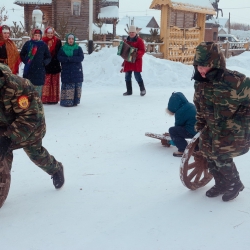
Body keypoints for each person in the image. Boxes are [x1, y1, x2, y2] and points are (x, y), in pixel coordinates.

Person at [192, 41, 249, 202]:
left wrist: (243, 118)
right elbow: (199, 105)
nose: (200, 69)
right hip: (211, 127)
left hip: (232, 128)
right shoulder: (200, 83)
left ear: (215, 63)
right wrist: (200, 124)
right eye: (198, 65)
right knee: (209, 154)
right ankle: (221, 183)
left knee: (221, 156)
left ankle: (235, 183)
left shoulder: (235, 81)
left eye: (204, 66)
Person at [0, 63, 64, 189]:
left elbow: (30, 117)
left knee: (36, 154)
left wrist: (7, 138)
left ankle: (56, 169)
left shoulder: (19, 86)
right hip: (3, 125)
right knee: (2, 157)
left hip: (30, 127)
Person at [20, 29, 51, 97]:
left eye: (38, 35)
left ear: (41, 36)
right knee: (28, 90)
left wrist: (43, 63)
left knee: (38, 91)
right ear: (33, 36)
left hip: (39, 71)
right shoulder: (28, 44)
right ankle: (29, 106)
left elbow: (48, 57)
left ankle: (37, 106)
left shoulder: (43, 45)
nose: (37, 37)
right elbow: (22, 54)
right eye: (35, 35)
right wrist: (26, 61)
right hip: (29, 70)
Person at [166, 92, 197, 157]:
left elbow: (178, 126)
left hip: (192, 131)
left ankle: (182, 150)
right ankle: (197, 147)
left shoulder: (180, 111)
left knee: (172, 130)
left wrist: (174, 138)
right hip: (198, 129)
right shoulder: (189, 105)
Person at [57, 33, 84, 107]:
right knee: (67, 84)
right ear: (67, 40)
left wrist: (71, 59)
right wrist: (67, 60)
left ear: (74, 40)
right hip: (66, 70)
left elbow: (81, 58)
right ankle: (67, 102)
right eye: (69, 39)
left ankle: (75, 101)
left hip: (76, 71)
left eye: (72, 39)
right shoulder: (62, 49)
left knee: (76, 85)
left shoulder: (78, 48)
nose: (71, 40)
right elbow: (59, 57)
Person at [122, 25, 146, 96]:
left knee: (137, 75)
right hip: (128, 61)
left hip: (136, 61)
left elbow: (142, 50)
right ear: (129, 33)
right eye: (130, 32)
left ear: (135, 33)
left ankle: (142, 89)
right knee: (127, 76)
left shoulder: (139, 41)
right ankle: (129, 91)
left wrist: (136, 54)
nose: (132, 33)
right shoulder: (126, 40)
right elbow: (124, 50)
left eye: (133, 32)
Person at [41, 27, 62, 104]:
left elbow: (59, 52)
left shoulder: (57, 41)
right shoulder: (42, 42)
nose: (50, 34)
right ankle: (45, 98)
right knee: (46, 82)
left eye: (51, 33)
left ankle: (54, 99)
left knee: (54, 82)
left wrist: (57, 59)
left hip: (55, 64)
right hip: (46, 64)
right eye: (48, 33)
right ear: (46, 33)